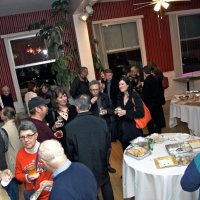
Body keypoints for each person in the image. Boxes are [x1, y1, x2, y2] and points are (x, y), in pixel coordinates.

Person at [65, 95, 114, 200]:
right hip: (101, 161)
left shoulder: (69, 127)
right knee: (105, 184)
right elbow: (108, 145)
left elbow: (70, 152)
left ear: (77, 107)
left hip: (82, 166)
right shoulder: (102, 122)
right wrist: (106, 161)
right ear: (89, 106)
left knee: (89, 191)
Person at [15, 120, 52, 200]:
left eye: (29, 136)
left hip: (49, 194)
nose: (26, 140)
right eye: (22, 137)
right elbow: (18, 174)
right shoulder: (20, 154)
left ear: (36, 135)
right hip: (32, 194)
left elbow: (61, 171)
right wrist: (27, 177)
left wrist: (51, 183)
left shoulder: (47, 149)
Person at [89, 80, 116, 173]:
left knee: (108, 147)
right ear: (90, 90)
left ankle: (107, 165)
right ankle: (99, 168)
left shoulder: (105, 96)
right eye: (93, 90)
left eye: (96, 89)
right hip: (94, 127)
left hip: (105, 125)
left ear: (99, 89)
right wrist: (90, 103)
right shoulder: (87, 98)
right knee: (97, 149)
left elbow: (112, 109)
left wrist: (107, 111)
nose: (95, 92)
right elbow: (82, 111)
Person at [115, 76, 144, 150]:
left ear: (128, 85)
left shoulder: (135, 95)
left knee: (136, 151)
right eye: (119, 84)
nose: (120, 86)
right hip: (122, 129)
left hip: (133, 129)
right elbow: (119, 107)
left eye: (122, 84)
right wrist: (117, 110)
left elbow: (140, 113)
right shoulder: (120, 95)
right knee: (126, 151)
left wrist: (126, 112)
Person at [46, 87, 77, 154]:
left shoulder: (73, 109)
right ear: (56, 100)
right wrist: (54, 127)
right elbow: (51, 130)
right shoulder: (52, 113)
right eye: (60, 97)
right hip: (63, 145)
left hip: (75, 142)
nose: (64, 99)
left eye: (65, 96)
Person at [1, 107, 22, 200]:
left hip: (12, 161)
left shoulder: (3, 130)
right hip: (21, 158)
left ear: (4, 116)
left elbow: (3, 149)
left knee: (13, 191)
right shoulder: (18, 124)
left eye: (1, 113)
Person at [141, 65, 165, 134]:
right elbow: (161, 90)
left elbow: (145, 95)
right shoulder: (156, 78)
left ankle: (151, 133)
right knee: (158, 119)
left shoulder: (147, 81)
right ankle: (159, 132)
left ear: (145, 73)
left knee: (150, 120)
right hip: (157, 102)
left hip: (150, 104)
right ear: (151, 71)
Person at [103, 69, 119, 141]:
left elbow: (118, 94)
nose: (109, 77)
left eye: (110, 75)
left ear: (112, 75)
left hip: (115, 104)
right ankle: (113, 137)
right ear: (105, 76)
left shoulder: (116, 82)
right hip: (108, 104)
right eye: (107, 76)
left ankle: (115, 136)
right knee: (112, 120)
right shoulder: (105, 83)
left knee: (115, 120)